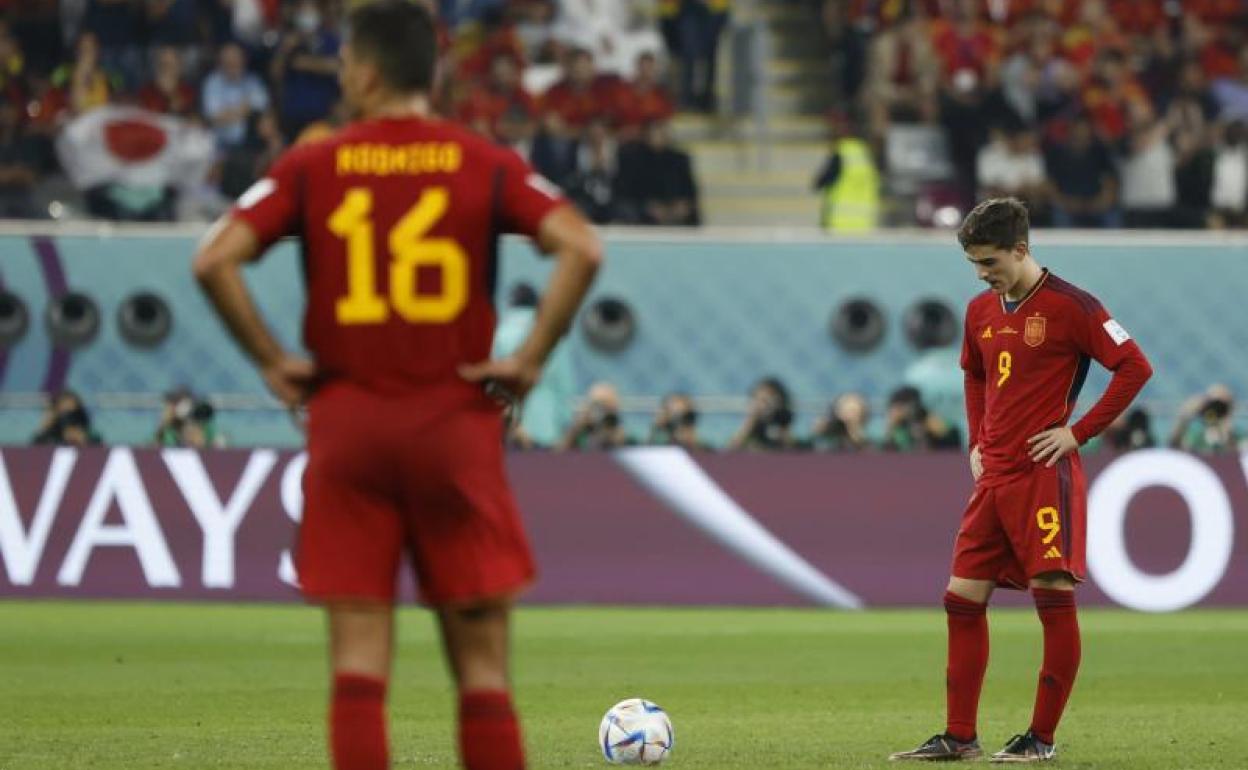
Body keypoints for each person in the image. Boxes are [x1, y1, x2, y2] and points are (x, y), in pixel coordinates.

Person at [191, 4, 603, 769]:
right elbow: (581, 245)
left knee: (358, 664)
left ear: (369, 73)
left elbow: (214, 258)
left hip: (349, 426)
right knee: (482, 670)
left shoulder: (314, 165)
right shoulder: (482, 161)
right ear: (432, 74)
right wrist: (528, 358)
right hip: (454, 427)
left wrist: (273, 359)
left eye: (346, 64)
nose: (342, 77)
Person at [890, 198, 1152, 762]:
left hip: (1042, 475)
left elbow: (1135, 367)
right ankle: (960, 736)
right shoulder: (979, 311)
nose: (981, 274)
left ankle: (1042, 738)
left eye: (989, 262)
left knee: (1052, 598)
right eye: (974, 263)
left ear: (1021, 249)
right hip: (994, 476)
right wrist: (976, 441)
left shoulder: (1073, 307)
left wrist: (1077, 433)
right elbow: (974, 374)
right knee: (961, 599)